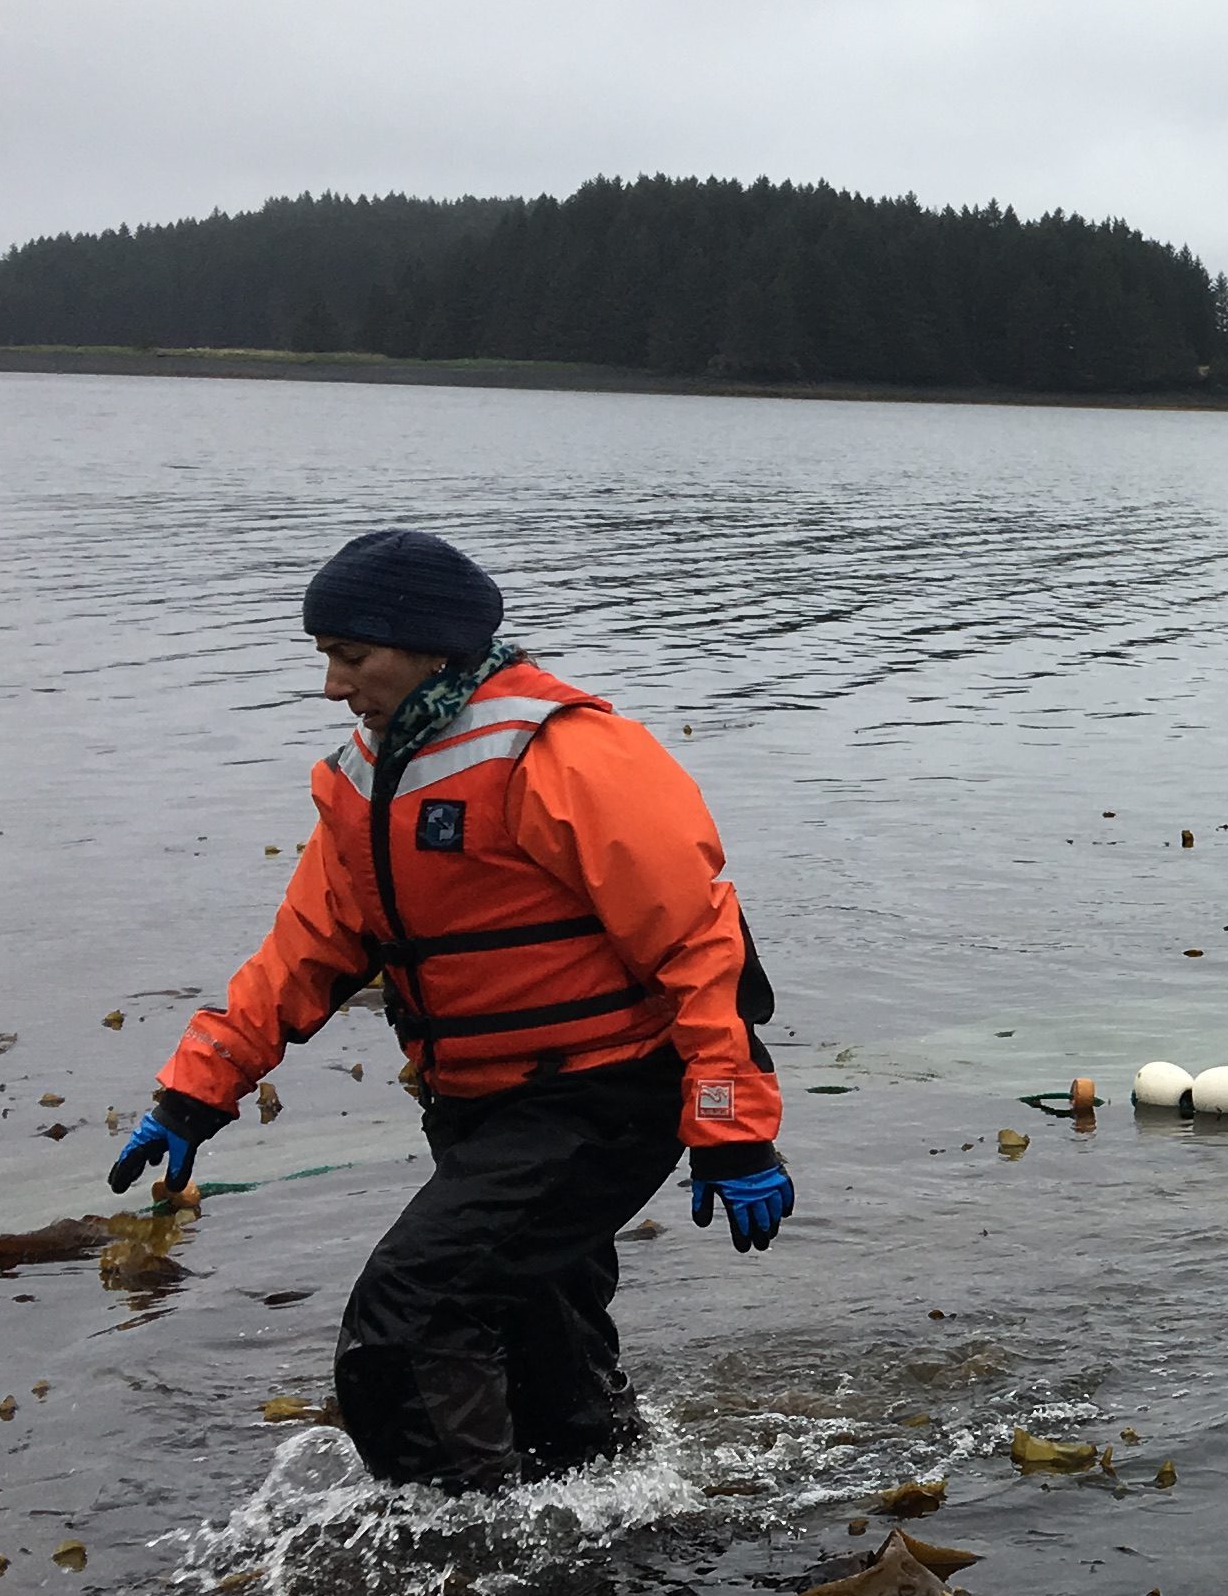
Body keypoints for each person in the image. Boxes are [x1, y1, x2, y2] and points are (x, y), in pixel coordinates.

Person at [112, 528, 795, 1489]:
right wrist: (192, 1095)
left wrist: (733, 1130)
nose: (333, 684)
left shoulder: (569, 754)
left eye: (352, 657)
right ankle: (607, 1522)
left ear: (433, 645)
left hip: (602, 1102)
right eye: (324, 658)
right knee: (538, 1347)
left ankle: (465, 1553)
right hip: (479, 1111)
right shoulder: (365, 777)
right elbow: (304, 951)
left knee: (406, 1324)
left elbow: (703, 949)